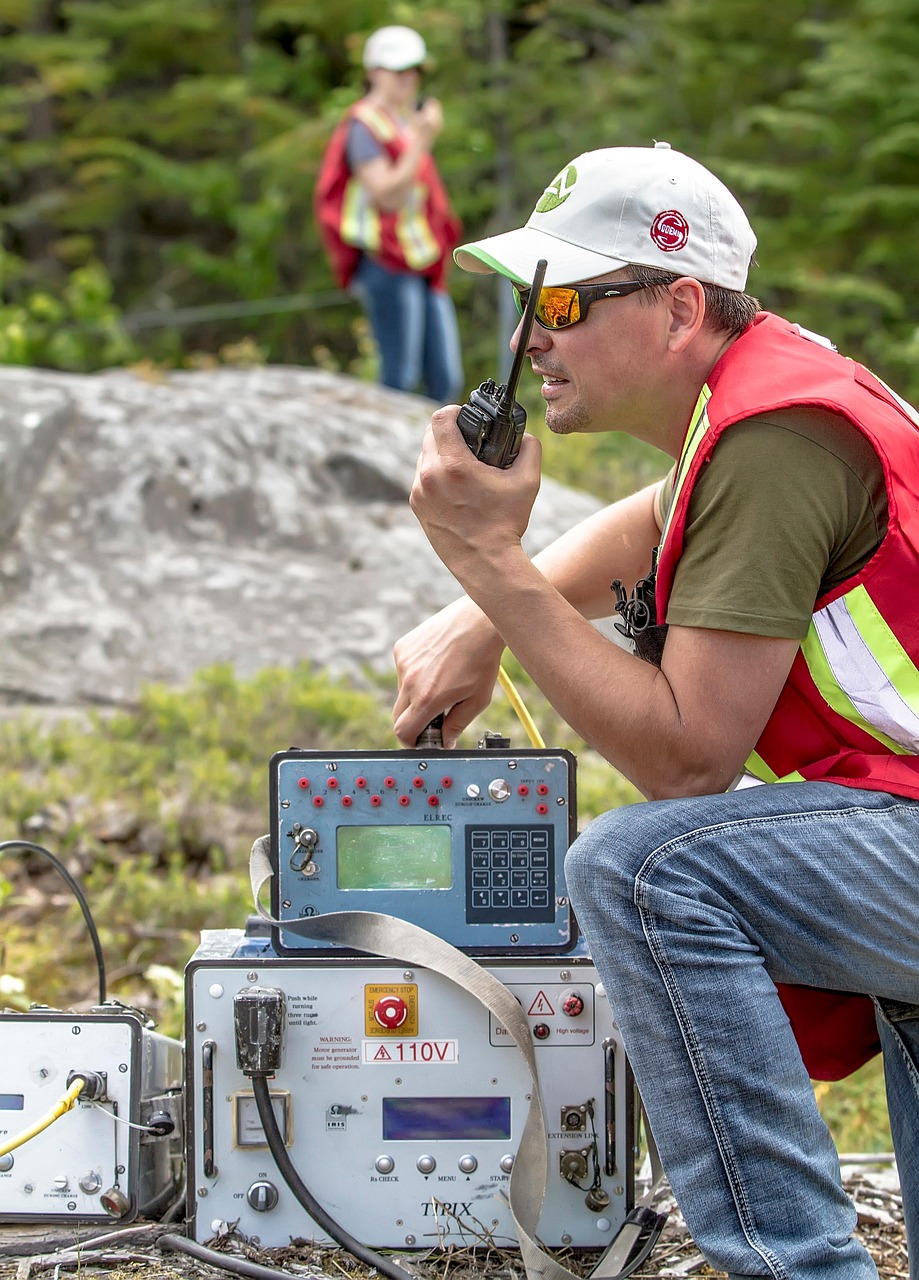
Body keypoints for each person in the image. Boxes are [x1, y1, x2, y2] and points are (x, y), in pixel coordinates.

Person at [392, 141, 919, 1280]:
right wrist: (483, 622)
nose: (531, 336)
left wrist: (493, 566)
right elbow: (656, 518)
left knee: (646, 869)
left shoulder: (777, 441)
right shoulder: (762, 399)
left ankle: (796, 1266)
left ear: (679, 308)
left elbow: (686, 760)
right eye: (526, 304)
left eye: (561, 301)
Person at [314, 24, 464, 403]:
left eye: (414, 70)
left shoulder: (403, 122)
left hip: (419, 259)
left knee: (445, 379)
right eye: (398, 70)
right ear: (374, 72)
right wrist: (423, 139)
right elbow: (387, 196)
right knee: (400, 378)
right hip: (385, 261)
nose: (408, 79)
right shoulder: (364, 125)